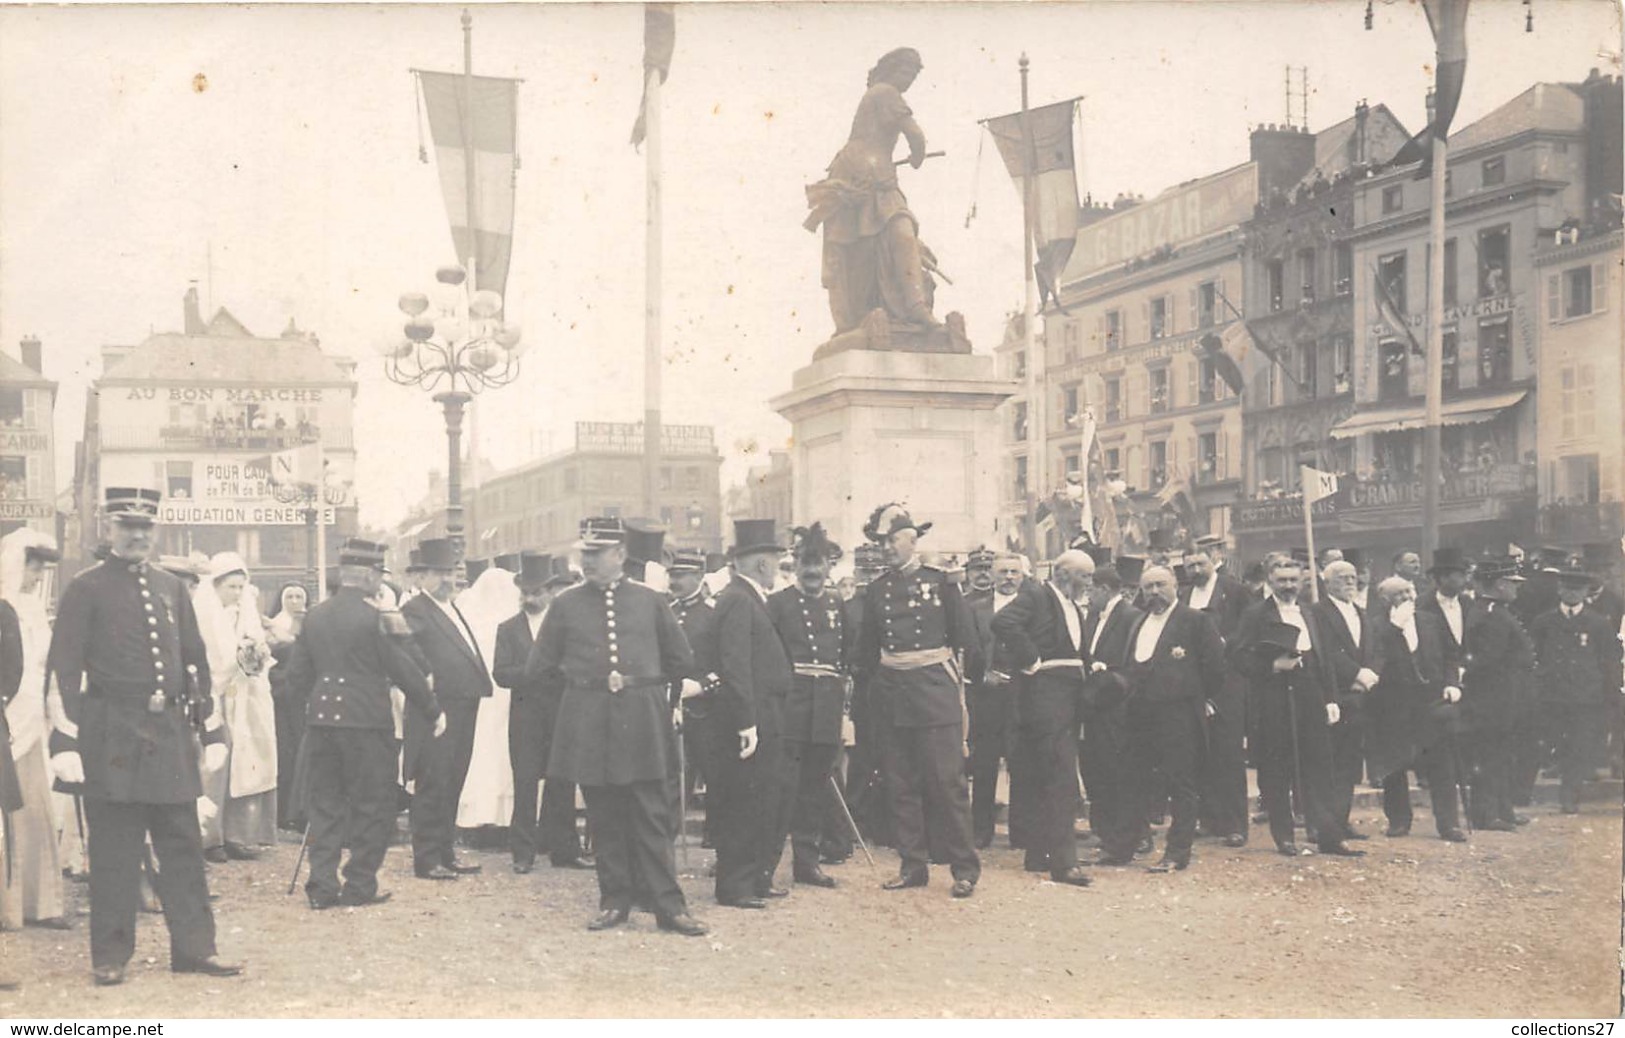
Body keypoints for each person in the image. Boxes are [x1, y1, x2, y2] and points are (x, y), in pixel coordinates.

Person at [45, 486, 242, 986]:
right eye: (126, 526)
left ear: (155, 531)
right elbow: (62, 671)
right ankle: (110, 955)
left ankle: (195, 949)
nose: (136, 535)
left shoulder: (172, 587)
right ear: (108, 529)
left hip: (170, 737)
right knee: (115, 850)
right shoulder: (85, 588)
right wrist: (65, 743)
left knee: (183, 847)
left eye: (145, 527)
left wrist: (212, 727)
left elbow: (194, 661)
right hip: (111, 739)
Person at [523, 518, 706, 936]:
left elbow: (681, 659)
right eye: (584, 554)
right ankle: (615, 901)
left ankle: (668, 907)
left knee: (652, 816)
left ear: (619, 555)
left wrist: (648, 690)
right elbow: (538, 669)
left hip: (641, 723)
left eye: (596, 554)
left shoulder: (650, 601)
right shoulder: (566, 605)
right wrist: (580, 697)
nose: (587, 562)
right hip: (590, 724)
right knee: (603, 816)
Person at [280, 539, 441, 909]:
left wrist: (305, 713)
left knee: (324, 805)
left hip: (322, 725)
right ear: (369, 575)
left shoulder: (316, 616)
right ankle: (359, 884)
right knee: (374, 806)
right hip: (368, 725)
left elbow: (296, 679)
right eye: (378, 576)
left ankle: (321, 887)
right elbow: (404, 669)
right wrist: (432, 709)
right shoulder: (378, 617)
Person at [855, 503, 981, 898]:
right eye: (880, 542)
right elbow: (866, 652)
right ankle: (913, 865)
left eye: (892, 540)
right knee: (901, 784)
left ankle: (964, 868)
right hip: (893, 695)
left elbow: (967, 640)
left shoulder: (941, 582)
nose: (886, 548)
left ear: (912, 540)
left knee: (947, 783)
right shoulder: (876, 590)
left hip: (933, 690)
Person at [1230, 556, 1363, 858]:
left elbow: (1325, 658)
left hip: (1310, 696)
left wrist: (1330, 698)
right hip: (1274, 698)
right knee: (1278, 769)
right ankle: (1284, 836)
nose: (1288, 586)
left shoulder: (1311, 612)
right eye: (1282, 581)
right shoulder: (1255, 614)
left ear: (1302, 581)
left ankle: (1328, 835)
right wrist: (1271, 665)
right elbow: (1236, 656)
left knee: (1319, 766)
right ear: (1270, 582)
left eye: (1293, 580)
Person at [803, 47, 940, 333]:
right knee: (900, 230)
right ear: (891, 70)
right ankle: (915, 307)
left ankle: (896, 309)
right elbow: (915, 136)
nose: (909, 80)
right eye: (906, 72)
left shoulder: (878, 93)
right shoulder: (885, 92)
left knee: (869, 246)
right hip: (867, 175)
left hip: (863, 171)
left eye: (913, 75)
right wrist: (918, 156)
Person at [991, 549, 1095, 884]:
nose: (1089, 583)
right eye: (1085, 576)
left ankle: (1038, 854)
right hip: (1046, 697)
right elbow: (1002, 621)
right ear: (1065, 573)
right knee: (1061, 777)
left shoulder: (1068, 603)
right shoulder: (1038, 595)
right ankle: (1064, 864)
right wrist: (1032, 660)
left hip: (1065, 697)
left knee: (1043, 775)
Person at [1113, 564, 1225, 872]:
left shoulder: (1195, 621)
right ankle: (1123, 847)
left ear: (1175, 585)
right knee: (1133, 780)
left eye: (1160, 585)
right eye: (1147, 587)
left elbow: (1215, 668)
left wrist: (1196, 698)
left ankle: (1177, 852)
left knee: (1181, 783)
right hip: (1140, 714)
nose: (1154, 592)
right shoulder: (1139, 621)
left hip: (1178, 715)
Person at [709, 519, 794, 908]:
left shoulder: (744, 597)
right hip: (752, 717)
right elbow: (736, 664)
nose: (777, 568)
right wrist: (747, 721)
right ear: (763, 564)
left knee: (760, 797)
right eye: (775, 560)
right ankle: (736, 884)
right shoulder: (740, 599)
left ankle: (751, 878)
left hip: (763, 714)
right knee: (744, 799)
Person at [401, 538, 492, 880]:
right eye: (436, 573)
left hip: (464, 705)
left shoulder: (452, 608)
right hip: (436, 708)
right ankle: (427, 858)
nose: (445, 580)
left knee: (453, 779)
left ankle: (446, 851)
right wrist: (431, 686)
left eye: (449, 573)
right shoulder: (415, 610)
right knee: (433, 782)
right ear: (420, 577)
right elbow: (411, 655)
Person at [765, 523, 849, 891]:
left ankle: (807, 863)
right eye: (806, 563)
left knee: (815, 789)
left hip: (826, 708)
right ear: (795, 564)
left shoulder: (837, 604)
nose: (813, 571)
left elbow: (845, 658)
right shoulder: (779, 604)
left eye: (820, 564)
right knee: (782, 790)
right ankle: (764, 867)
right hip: (791, 707)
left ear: (830, 567)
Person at [494, 553, 587, 873]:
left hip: (561, 715)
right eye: (525, 593)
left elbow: (577, 666)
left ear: (549, 592)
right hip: (525, 718)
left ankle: (565, 849)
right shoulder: (507, 629)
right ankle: (523, 852)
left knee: (563, 782)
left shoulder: (564, 626)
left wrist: (557, 671)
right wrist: (536, 672)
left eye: (536, 592)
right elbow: (501, 674)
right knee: (525, 783)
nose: (530, 598)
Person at [1364, 577, 1466, 841]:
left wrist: (1452, 683)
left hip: (1431, 702)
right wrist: (1394, 627)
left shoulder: (1431, 620)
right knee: (1395, 766)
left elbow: (1452, 655)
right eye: (1401, 593)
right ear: (1386, 600)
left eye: (1411, 590)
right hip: (1393, 705)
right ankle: (1399, 821)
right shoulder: (1375, 626)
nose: (1410, 596)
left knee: (1441, 764)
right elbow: (1374, 655)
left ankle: (1448, 824)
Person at [0, 530, 68, 930]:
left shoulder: (35, 611)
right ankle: (7, 906)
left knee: (36, 810)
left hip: (34, 717)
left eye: (42, 570)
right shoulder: (2, 606)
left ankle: (38, 903)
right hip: (8, 719)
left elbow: (45, 665)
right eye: (32, 567)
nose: (37, 577)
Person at [193, 553, 278, 861]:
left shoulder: (248, 613)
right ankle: (208, 836)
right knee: (214, 765)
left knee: (248, 761)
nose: (238, 593)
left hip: (246, 695)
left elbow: (260, 650)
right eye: (231, 587)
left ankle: (239, 834)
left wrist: (256, 654)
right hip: (214, 695)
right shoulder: (202, 614)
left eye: (241, 587)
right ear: (215, 586)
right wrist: (233, 659)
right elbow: (203, 659)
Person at [1528, 561, 1623, 814]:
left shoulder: (1598, 623)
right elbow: (1531, 656)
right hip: (1552, 696)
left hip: (1585, 697)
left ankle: (1569, 795)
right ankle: (1524, 791)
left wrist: (1610, 692)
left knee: (1579, 747)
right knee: (1554, 743)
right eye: (1567, 588)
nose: (1572, 593)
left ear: (1585, 592)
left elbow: (1610, 660)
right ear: (1559, 590)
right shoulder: (1544, 621)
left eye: (1578, 589)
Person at [1179, 542, 1251, 846]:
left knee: (1228, 753)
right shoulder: (1184, 595)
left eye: (1200, 564)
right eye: (1190, 565)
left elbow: (1248, 629)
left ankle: (1235, 824)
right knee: (1200, 751)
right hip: (1194, 680)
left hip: (1227, 681)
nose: (1195, 571)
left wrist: (1221, 642)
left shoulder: (1234, 590)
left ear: (1215, 561)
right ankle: (1209, 818)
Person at [1461, 558, 1535, 830]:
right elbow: (1487, 660)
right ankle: (1486, 814)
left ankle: (1502, 809)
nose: (1516, 589)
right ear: (1500, 585)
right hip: (1492, 698)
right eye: (1513, 583)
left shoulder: (1496, 610)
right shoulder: (1490, 612)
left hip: (1503, 696)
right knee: (1489, 755)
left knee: (1501, 754)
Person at [1080, 562, 1144, 864]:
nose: (1087, 596)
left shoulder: (1131, 618)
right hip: (1095, 707)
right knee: (1098, 772)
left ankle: (1123, 842)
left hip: (1119, 708)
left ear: (1105, 589)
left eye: (1090, 590)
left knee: (1120, 775)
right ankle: (1109, 836)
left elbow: (1134, 665)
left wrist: (1107, 675)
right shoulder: (1092, 616)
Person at [1311, 560, 1378, 843]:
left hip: (1360, 696)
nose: (1350, 582)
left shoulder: (1361, 613)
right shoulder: (1317, 613)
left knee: (1350, 763)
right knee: (1328, 763)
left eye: (1352, 577)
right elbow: (1325, 652)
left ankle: (1341, 819)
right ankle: (1321, 824)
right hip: (1335, 695)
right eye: (1342, 578)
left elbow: (1373, 648)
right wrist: (1355, 673)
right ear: (1327, 583)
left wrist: (1372, 672)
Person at [453, 566, 521, 833]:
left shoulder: (473, 620)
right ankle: (505, 815)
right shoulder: (510, 624)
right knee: (501, 752)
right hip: (505, 696)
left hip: (483, 696)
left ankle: (477, 814)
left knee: (482, 751)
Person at [965, 549, 1022, 850]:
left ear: (1022, 576)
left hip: (1023, 693)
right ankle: (981, 830)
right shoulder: (976, 608)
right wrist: (982, 675)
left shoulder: (1033, 606)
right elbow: (969, 648)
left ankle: (1021, 831)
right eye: (1003, 572)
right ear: (995, 576)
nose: (1008, 578)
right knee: (984, 763)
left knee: (1021, 761)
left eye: (1014, 572)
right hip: (987, 694)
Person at [668, 549, 722, 853]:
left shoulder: (714, 614)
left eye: (681, 576)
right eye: (672, 575)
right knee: (673, 774)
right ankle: (668, 834)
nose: (674, 581)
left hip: (707, 707)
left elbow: (725, 662)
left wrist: (701, 687)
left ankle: (715, 836)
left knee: (714, 773)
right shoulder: (667, 612)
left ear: (699, 578)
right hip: (672, 706)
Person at [265, 582, 309, 831]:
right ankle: (282, 813)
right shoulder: (273, 627)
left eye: (299, 596)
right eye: (289, 596)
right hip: (281, 699)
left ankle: (299, 811)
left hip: (303, 699)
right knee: (285, 753)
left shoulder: (311, 625)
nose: (294, 601)